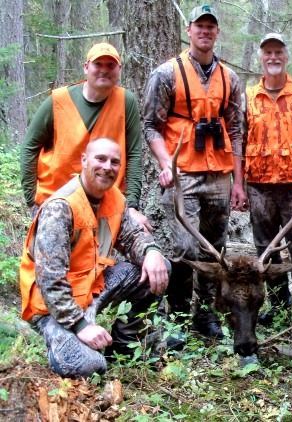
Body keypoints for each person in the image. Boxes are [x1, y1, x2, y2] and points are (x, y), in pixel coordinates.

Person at [19, 138, 170, 378]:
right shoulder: (61, 207)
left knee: (159, 268)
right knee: (88, 367)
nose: (107, 167)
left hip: (91, 287)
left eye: (114, 162)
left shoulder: (115, 199)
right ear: (84, 161)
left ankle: (125, 345)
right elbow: (50, 282)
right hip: (52, 305)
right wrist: (81, 326)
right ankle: (60, 340)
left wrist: (151, 251)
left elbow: (131, 238)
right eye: (100, 159)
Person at [143, 4, 246, 339]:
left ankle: (206, 315)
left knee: (215, 249)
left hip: (219, 175)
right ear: (189, 31)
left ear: (217, 32)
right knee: (186, 249)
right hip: (183, 173)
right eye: (199, 26)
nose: (205, 31)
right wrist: (164, 164)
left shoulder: (230, 79)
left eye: (211, 27)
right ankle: (176, 320)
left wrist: (238, 182)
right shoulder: (166, 74)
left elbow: (236, 131)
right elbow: (150, 126)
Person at [20, 42, 151, 231]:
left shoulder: (126, 101)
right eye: (98, 64)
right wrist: (32, 201)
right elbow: (29, 148)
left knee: (102, 258)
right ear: (86, 67)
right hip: (56, 201)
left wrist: (131, 206)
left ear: (119, 69)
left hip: (105, 202)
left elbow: (133, 155)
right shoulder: (58, 101)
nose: (104, 70)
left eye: (110, 65)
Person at [243, 33, 292, 338]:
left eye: (278, 52)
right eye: (268, 52)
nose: (273, 57)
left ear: (286, 56)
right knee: (266, 251)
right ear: (262, 57)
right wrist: (239, 183)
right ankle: (279, 307)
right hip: (258, 185)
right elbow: (239, 136)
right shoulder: (248, 95)